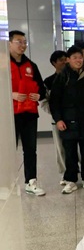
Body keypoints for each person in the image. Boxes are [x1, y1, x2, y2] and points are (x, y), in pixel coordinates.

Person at [50, 46, 84, 194]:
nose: (78, 60)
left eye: (80, 57)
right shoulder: (62, 77)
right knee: (70, 153)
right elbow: (55, 101)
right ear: (68, 60)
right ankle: (71, 180)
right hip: (68, 121)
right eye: (75, 58)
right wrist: (58, 119)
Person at [9, 30, 47, 196]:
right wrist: (11, 95)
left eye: (25, 42)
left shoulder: (31, 65)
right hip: (8, 116)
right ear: (9, 43)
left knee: (30, 149)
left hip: (29, 114)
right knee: (8, 151)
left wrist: (39, 95)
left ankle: (31, 182)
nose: (23, 45)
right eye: (19, 41)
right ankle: (7, 184)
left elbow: (42, 89)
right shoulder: (3, 64)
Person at [42, 50, 68, 183]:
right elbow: (44, 101)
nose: (64, 62)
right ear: (54, 63)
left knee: (78, 147)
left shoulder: (73, 77)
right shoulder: (48, 81)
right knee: (60, 148)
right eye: (61, 60)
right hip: (57, 120)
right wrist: (55, 114)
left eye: (65, 59)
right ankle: (64, 173)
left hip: (75, 118)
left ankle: (81, 171)